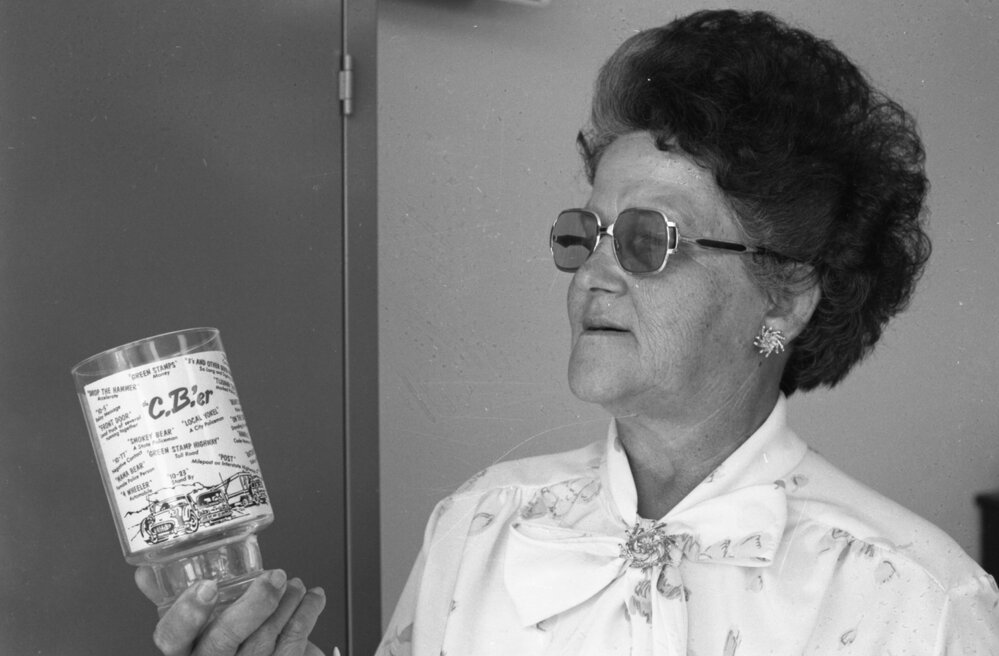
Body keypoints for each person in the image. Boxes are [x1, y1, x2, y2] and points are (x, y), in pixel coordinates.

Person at [140, 9, 999, 655]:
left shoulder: (920, 602)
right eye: (584, 233)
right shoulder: (477, 524)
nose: (595, 270)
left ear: (787, 297)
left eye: (647, 240)